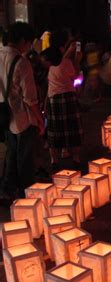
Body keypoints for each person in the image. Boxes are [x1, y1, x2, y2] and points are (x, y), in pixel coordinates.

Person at [0, 22, 44, 199]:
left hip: (3, 114)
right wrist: (40, 120)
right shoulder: (21, 62)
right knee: (25, 158)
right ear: (23, 41)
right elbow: (30, 98)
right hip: (21, 117)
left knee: (11, 152)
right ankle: (26, 194)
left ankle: (7, 189)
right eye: (29, 42)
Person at [46, 30, 83, 170]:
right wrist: (77, 62)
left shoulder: (48, 57)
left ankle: (54, 159)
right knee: (73, 128)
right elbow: (76, 78)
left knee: (55, 130)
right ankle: (76, 158)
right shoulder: (66, 62)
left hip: (53, 97)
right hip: (67, 96)